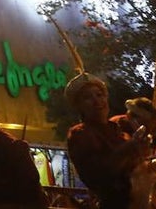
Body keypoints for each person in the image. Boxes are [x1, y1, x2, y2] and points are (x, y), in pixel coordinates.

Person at [64, 71, 151, 209]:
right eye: (87, 97)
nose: (97, 100)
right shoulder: (80, 134)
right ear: (79, 106)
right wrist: (129, 148)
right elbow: (98, 175)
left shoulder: (117, 129)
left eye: (99, 95)